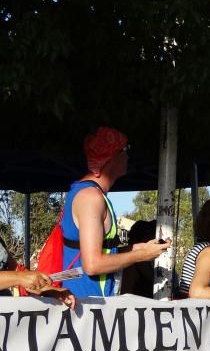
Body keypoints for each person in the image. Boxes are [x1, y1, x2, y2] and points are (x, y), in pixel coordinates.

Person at [62, 126, 170, 297]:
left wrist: (135, 249)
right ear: (112, 156)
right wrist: (140, 256)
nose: (128, 156)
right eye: (126, 149)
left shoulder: (91, 194)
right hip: (85, 305)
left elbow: (103, 252)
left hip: (91, 303)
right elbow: (92, 264)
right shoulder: (91, 197)